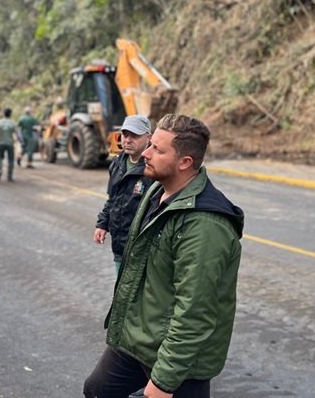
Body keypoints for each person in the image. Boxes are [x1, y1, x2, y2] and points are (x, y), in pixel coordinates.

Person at [84, 114, 244, 398]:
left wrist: (163, 382)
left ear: (185, 163)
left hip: (179, 360)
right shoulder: (158, 190)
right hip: (139, 341)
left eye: (157, 149)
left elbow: (194, 312)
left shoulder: (205, 225)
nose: (145, 153)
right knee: (98, 390)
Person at [93, 115, 153, 274]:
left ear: (149, 137)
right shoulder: (117, 164)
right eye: (125, 134)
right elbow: (112, 199)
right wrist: (102, 224)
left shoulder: (153, 168)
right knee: (121, 294)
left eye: (134, 135)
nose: (127, 139)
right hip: (119, 248)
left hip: (143, 251)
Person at [0, 107, 22, 181]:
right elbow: (18, 134)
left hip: (1, 143)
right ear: (10, 114)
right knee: (11, 160)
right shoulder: (12, 123)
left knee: (0, 159)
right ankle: (9, 176)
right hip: (10, 144)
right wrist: (21, 141)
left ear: (3, 114)